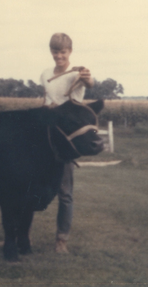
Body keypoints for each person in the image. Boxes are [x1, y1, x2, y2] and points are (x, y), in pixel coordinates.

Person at [40, 32, 94, 254]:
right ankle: (19, 234)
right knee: (28, 186)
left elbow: (90, 83)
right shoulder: (44, 74)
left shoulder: (77, 74)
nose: (58, 55)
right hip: (45, 136)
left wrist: (87, 77)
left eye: (63, 51)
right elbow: (46, 100)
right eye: (55, 51)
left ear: (70, 52)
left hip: (65, 139)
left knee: (65, 193)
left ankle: (61, 240)